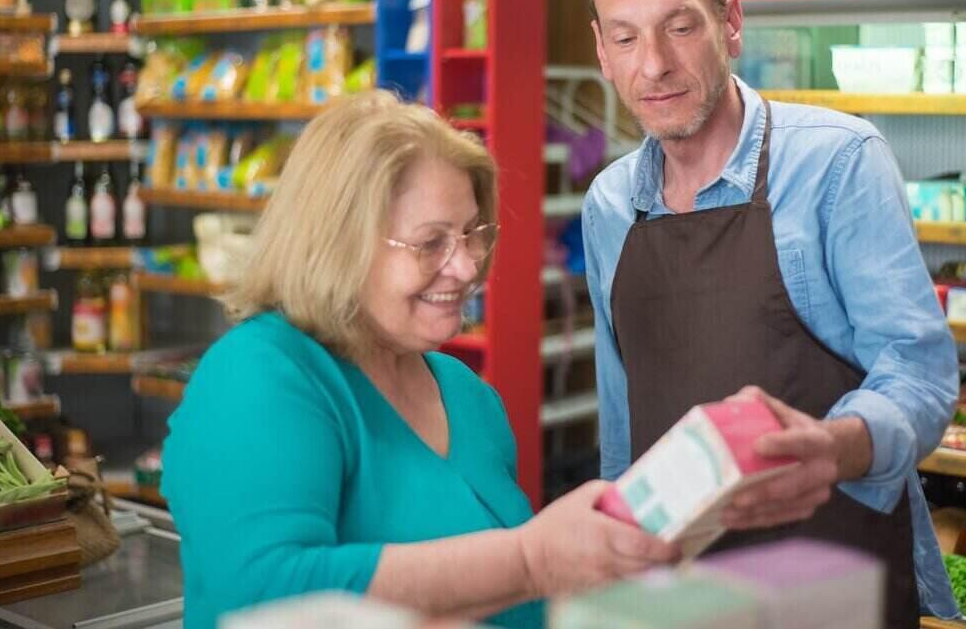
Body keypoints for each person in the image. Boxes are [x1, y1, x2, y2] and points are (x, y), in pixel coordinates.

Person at [161, 91, 677, 629]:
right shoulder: (261, 374)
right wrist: (533, 560)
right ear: (338, 245)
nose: (467, 267)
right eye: (431, 243)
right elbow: (263, 594)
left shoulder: (467, 396)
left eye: (472, 234)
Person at [580, 0, 960, 627]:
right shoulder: (608, 204)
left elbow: (920, 373)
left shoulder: (836, 162)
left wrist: (835, 445)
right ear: (602, 51)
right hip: (683, 595)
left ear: (730, 23)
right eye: (626, 36)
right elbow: (622, 418)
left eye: (680, 26)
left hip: (836, 580)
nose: (654, 63)